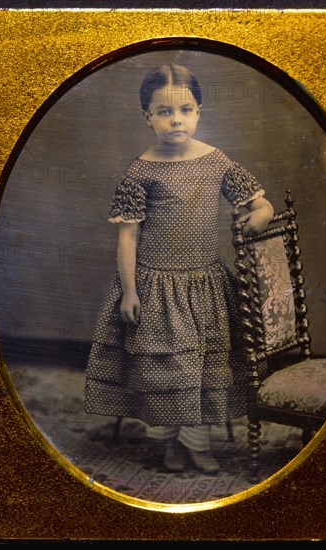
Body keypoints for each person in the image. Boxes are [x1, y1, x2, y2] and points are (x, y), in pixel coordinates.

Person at [84, 63, 274, 475]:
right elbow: (128, 237)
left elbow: (259, 201)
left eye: (185, 110)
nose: (176, 120)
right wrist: (130, 291)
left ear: (199, 111)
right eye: (164, 112)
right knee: (166, 368)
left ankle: (196, 443)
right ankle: (163, 442)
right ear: (147, 116)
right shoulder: (141, 171)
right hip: (156, 286)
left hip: (204, 283)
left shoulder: (216, 162)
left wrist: (263, 211)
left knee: (203, 367)